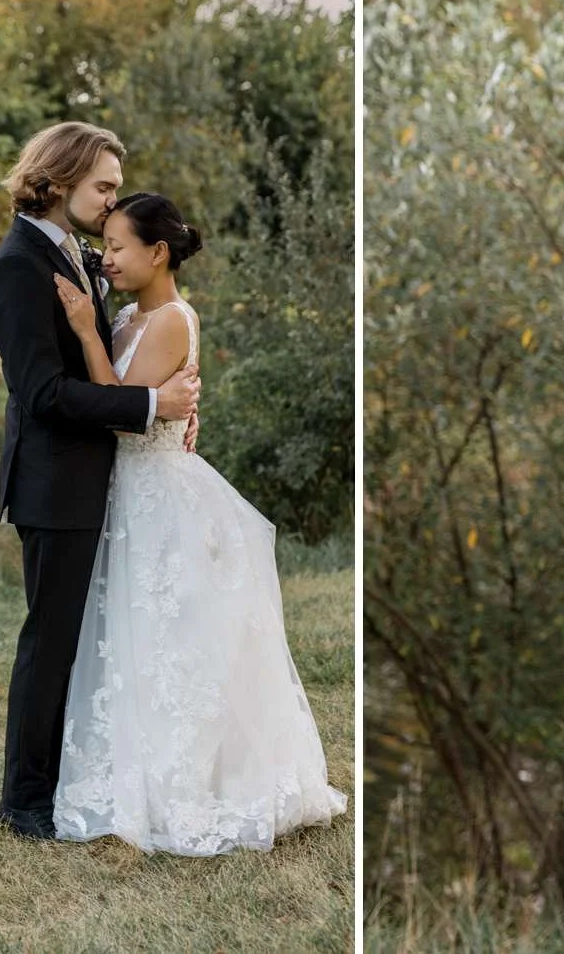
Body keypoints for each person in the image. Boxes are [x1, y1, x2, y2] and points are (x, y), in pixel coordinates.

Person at [47, 191, 347, 855]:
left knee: (169, 641)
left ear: (158, 253)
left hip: (159, 494)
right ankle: (130, 766)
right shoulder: (127, 316)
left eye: (120, 246)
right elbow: (129, 399)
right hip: (127, 495)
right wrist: (103, 336)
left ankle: (186, 780)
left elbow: (119, 411)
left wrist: (89, 337)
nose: (109, 258)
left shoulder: (174, 321)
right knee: (131, 639)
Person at [0, 122, 198, 841]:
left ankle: (66, 776)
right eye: (102, 186)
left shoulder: (70, 252)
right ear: (60, 178)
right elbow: (41, 394)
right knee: (51, 642)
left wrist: (168, 403)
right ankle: (26, 802)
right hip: (55, 483)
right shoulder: (18, 266)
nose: (111, 202)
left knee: (78, 640)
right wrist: (147, 406)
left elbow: (112, 355)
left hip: (96, 479)